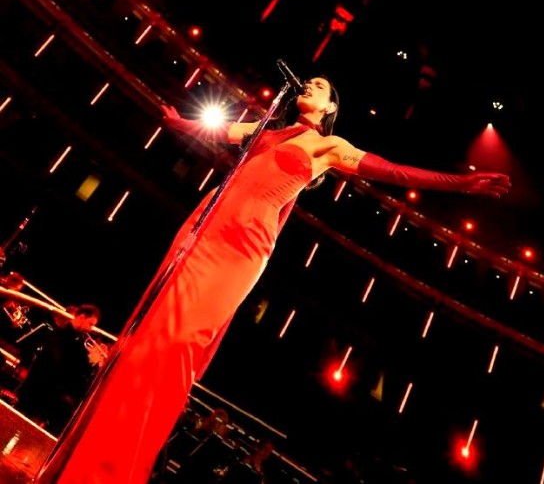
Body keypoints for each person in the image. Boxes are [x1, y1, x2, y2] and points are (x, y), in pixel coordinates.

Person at [47, 75, 510, 483]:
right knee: (154, 336)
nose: (310, 85)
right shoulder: (266, 128)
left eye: (321, 86)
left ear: (330, 107)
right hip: (206, 228)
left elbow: (393, 170)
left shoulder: (330, 146)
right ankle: (87, 462)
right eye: (309, 81)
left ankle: (115, 470)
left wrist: (459, 184)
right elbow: (212, 130)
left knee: (182, 342)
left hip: (243, 247)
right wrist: (176, 122)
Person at [14, 303, 102, 435]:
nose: (90, 329)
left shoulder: (69, 338)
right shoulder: (67, 339)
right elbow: (71, 371)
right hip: (41, 393)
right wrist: (93, 362)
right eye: (90, 324)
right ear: (81, 317)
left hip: (38, 392)